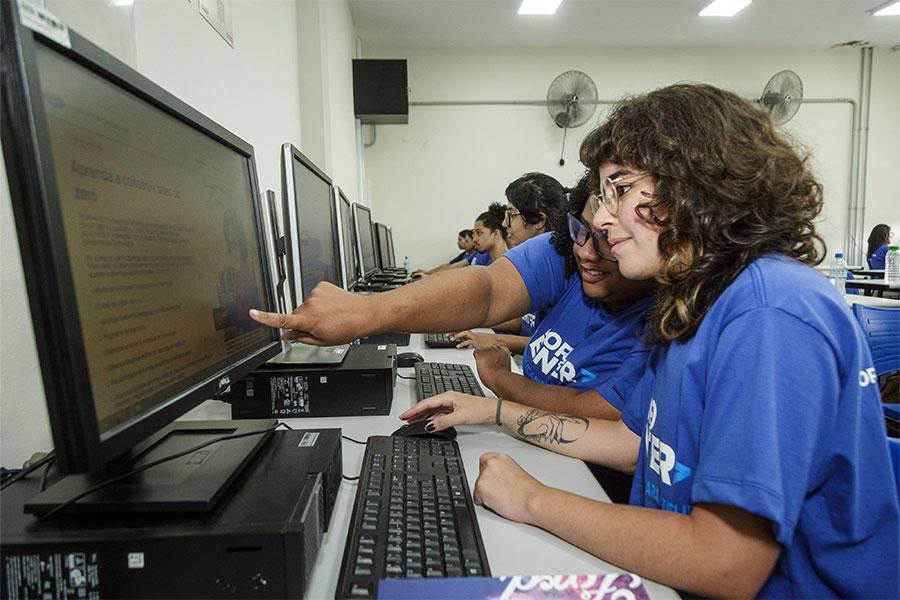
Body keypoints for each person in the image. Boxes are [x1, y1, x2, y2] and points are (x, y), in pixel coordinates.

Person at [396, 84, 899, 598]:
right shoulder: (696, 299)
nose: (600, 218)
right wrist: (489, 411)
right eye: (601, 196)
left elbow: (727, 563)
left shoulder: (769, 312)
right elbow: (634, 444)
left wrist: (533, 500)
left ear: (699, 184)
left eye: (620, 189)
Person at [455, 172, 569, 353]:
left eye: (511, 214)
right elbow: (525, 321)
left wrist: (494, 339)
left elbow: (553, 345)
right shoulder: (537, 263)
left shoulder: (561, 269)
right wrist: (473, 321)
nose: (505, 223)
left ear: (539, 220)